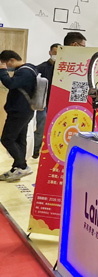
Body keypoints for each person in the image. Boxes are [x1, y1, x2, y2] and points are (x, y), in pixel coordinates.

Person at [0, 50, 37, 182]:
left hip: (20, 111)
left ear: (11, 60)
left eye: (5, 63)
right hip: (24, 110)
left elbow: (10, 84)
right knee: (20, 140)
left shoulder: (25, 72)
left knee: (7, 139)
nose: (6, 67)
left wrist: (2, 71)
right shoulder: (30, 68)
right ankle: (17, 168)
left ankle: (23, 166)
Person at [32, 43, 59, 160]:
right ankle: (35, 151)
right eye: (55, 53)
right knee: (41, 129)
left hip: (57, 104)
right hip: (43, 104)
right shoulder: (41, 68)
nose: (56, 55)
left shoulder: (63, 69)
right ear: (50, 52)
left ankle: (51, 152)